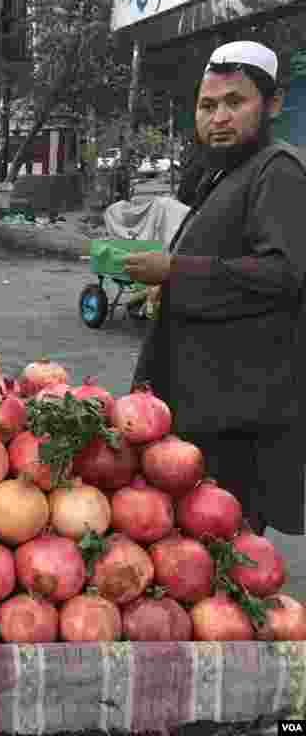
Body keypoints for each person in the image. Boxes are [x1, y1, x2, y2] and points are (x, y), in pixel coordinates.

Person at [125, 41, 306, 536]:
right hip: (202, 405)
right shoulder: (227, 172)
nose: (219, 117)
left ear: (271, 105)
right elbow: (229, 261)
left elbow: (285, 274)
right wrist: (170, 288)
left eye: (235, 102)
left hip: (239, 419)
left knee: (226, 554)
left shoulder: (278, 170)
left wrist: (175, 273)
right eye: (208, 106)